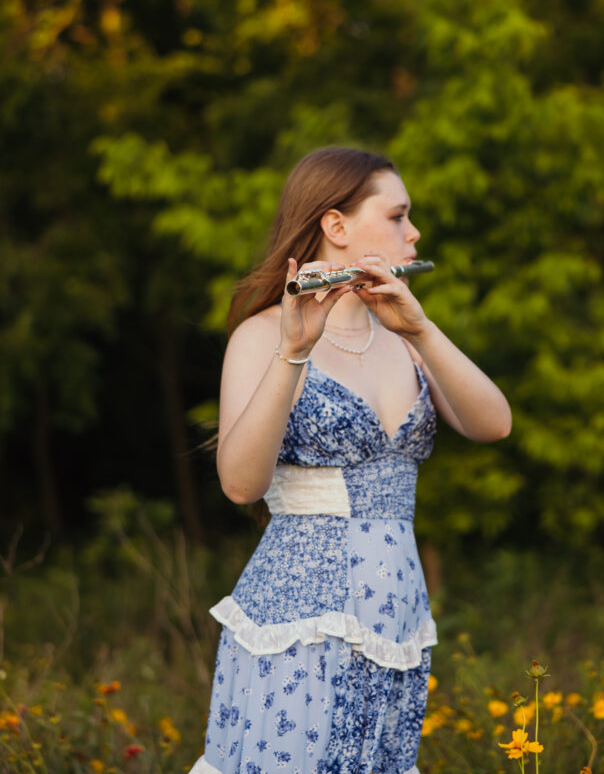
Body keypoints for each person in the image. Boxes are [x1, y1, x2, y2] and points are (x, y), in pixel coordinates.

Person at [190, 146, 511, 774]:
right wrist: (293, 352)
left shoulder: (404, 335)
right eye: (397, 216)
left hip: (397, 620)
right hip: (298, 622)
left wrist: (420, 329)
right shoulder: (262, 337)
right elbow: (241, 484)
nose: (414, 233)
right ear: (336, 226)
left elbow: (493, 423)